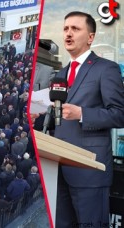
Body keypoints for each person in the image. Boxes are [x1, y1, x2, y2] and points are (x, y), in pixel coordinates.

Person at [49, 11, 124, 227]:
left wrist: (82, 113)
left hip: (90, 170)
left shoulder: (106, 68)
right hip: (60, 170)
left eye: (75, 28)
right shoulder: (60, 74)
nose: (68, 34)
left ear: (90, 37)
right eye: (65, 29)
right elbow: (58, 117)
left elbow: (119, 114)